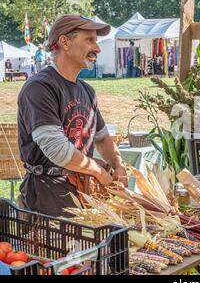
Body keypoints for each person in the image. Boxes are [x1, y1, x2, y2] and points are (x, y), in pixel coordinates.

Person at [17, 15, 128, 217]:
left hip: (81, 197)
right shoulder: (40, 88)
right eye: (89, 40)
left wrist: (118, 164)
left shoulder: (87, 91)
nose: (97, 48)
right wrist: (99, 172)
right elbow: (57, 149)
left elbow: (102, 138)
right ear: (65, 42)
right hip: (47, 201)